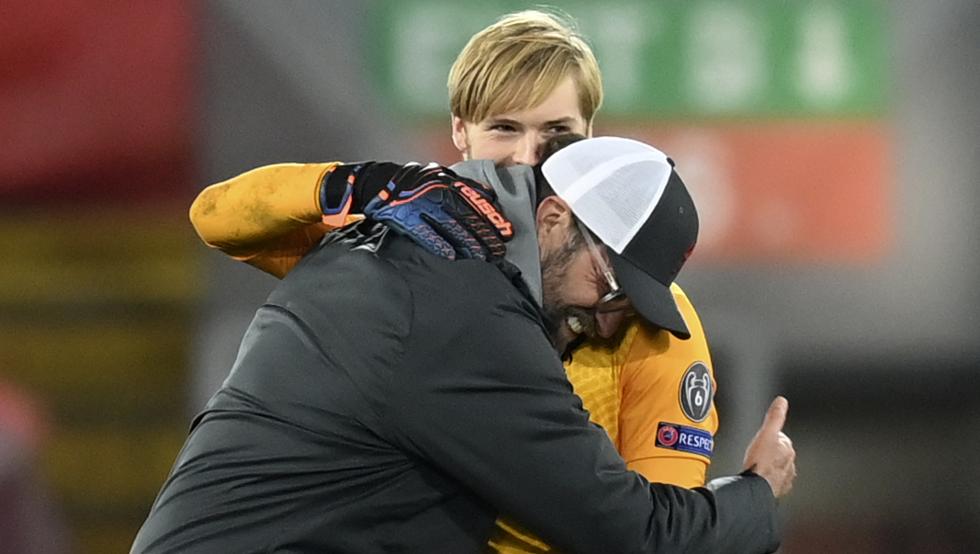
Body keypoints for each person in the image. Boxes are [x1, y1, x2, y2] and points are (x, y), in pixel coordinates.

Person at [187, 10, 725, 551]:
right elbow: (216, 218)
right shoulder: (408, 254)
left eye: (557, 134)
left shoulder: (634, 312)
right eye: (504, 128)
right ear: (460, 131)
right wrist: (361, 183)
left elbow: (664, 527)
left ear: (590, 136)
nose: (527, 158)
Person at [133, 135, 795, 553]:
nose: (608, 320)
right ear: (554, 217)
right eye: (611, 286)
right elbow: (631, 534)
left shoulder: (411, 249)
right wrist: (757, 493)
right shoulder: (469, 316)